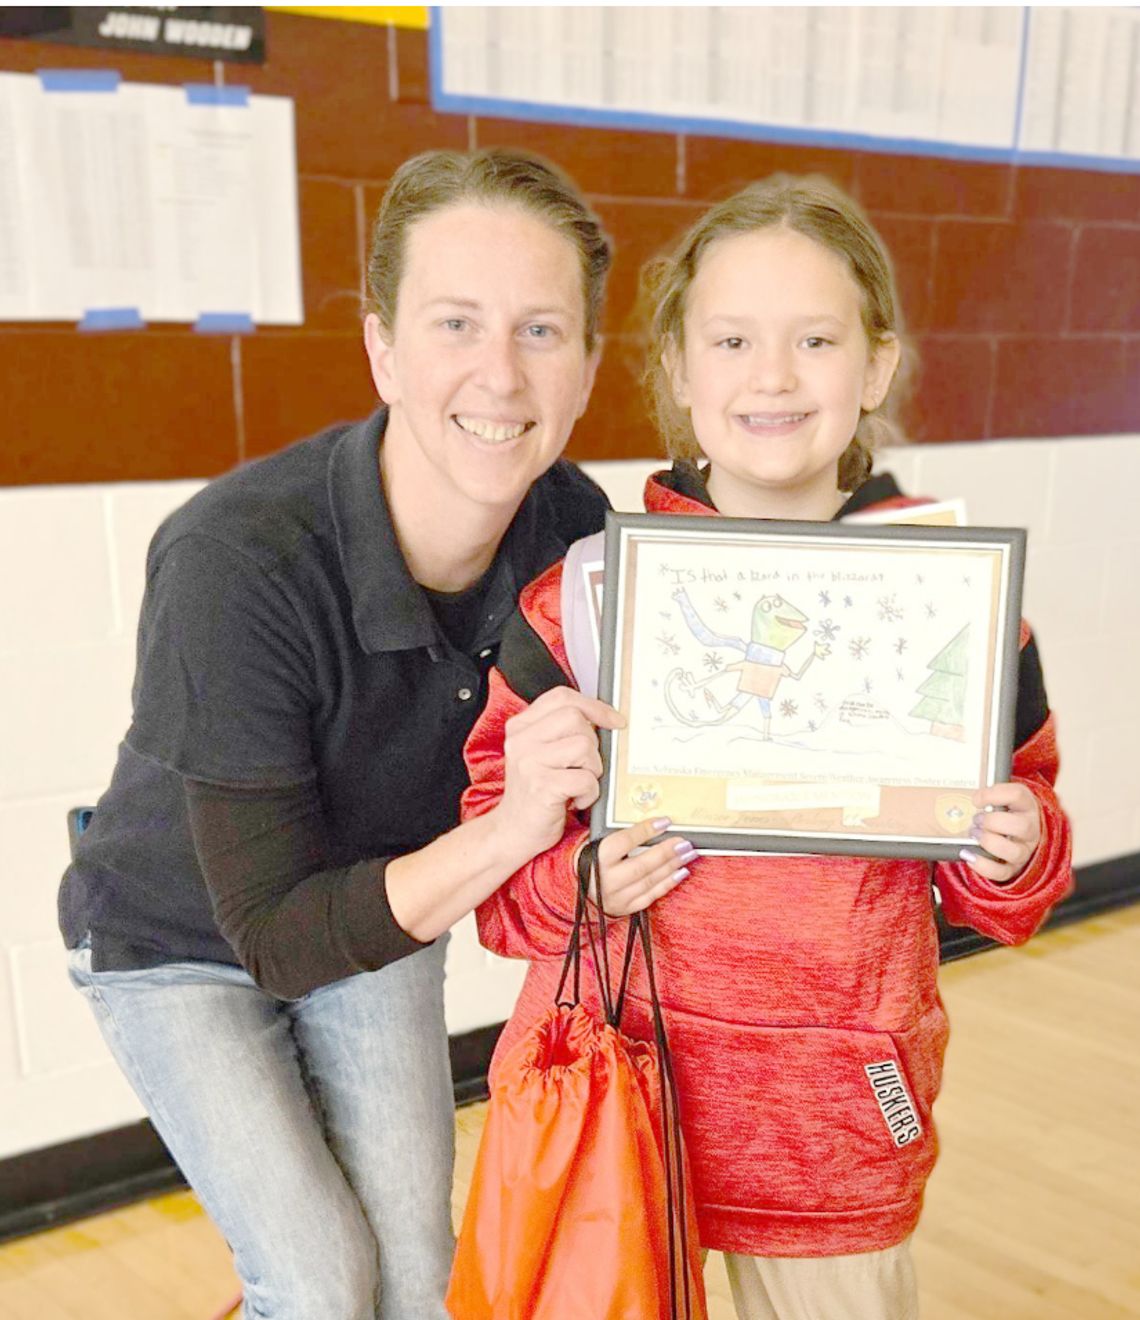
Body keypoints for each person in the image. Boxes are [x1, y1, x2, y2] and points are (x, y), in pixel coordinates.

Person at [461, 175, 1074, 1320]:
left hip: (838, 1132)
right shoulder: (579, 604)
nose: (774, 375)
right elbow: (499, 881)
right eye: (733, 339)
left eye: (817, 339)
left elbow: (1012, 891)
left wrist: (1013, 850)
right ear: (681, 373)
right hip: (621, 1114)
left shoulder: (965, 618)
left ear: (876, 366)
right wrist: (576, 880)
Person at [58, 148, 627, 1320]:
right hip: (183, 940)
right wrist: (518, 828)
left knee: (418, 1282)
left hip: (378, 910)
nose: (500, 376)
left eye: (541, 331)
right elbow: (272, 936)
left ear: (588, 367)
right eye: (456, 323)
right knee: (319, 1279)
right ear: (382, 349)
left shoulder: (575, 529)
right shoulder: (236, 560)